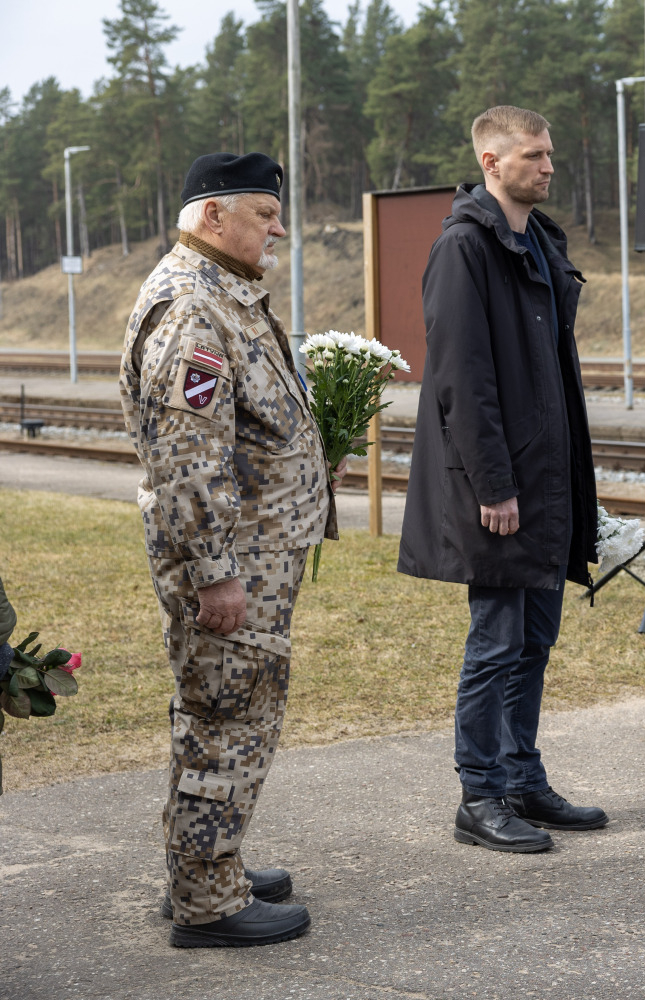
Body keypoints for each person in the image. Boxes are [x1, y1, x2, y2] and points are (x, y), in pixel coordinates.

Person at [121, 152, 341, 946]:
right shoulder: (193, 310)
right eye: (262, 213)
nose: (279, 227)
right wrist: (215, 576)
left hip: (256, 556)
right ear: (212, 216)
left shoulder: (224, 294)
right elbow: (187, 458)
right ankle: (208, 902)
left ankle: (205, 864)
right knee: (226, 720)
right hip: (232, 566)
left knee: (218, 714)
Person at [399, 106, 605, 853]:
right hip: (501, 488)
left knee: (535, 641)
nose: (548, 166)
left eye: (551, 154)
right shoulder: (465, 247)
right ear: (491, 161)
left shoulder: (539, 242)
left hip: (545, 483)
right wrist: (493, 487)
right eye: (534, 155)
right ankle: (479, 793)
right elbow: (462, 378)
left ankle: (521, 777)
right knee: (496, 641)